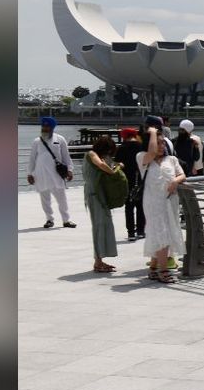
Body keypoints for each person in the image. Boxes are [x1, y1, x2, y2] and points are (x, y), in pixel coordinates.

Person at [138, 126, 186, 284]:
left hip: (170, 201)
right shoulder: (143, 157)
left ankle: (153, 268)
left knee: (162, 233)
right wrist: (152, 132)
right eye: (158, 143)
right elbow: (151, 153)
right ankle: (163, 270)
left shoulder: (171, 159)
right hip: (153, 202)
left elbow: (182, 175)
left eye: (163, 143)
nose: (161, 146)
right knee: (161, 233)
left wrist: (174, 181)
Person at [27, 116, 76, 228]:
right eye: (43, 126)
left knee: (62, 199)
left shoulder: (60, 139)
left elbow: (66, 157)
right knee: (45, 200)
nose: (44, 128)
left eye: (47, 126)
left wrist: (70, 170)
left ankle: (66, 220)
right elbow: (32, 159)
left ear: (52, 127)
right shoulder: (36, 141)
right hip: (41, 175)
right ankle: (49, 219)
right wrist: (30, 173)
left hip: (56, 175)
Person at [83, 136, 121, 273]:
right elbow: (100, 165)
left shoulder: (102, 157)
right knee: (99, 226)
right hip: (94, 196)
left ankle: (100, 260)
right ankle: (98, 262)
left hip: (100, 195)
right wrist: (113, 171)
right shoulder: (91, 154)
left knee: (105, 225)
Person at [114, 128, 146, 240]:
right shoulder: (141, 146)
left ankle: (131, 232)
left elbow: (117, 163)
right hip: (140, 179)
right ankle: (141, 231)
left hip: (127, 180)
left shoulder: (122, 148)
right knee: (141, 206)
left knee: (129, 207)